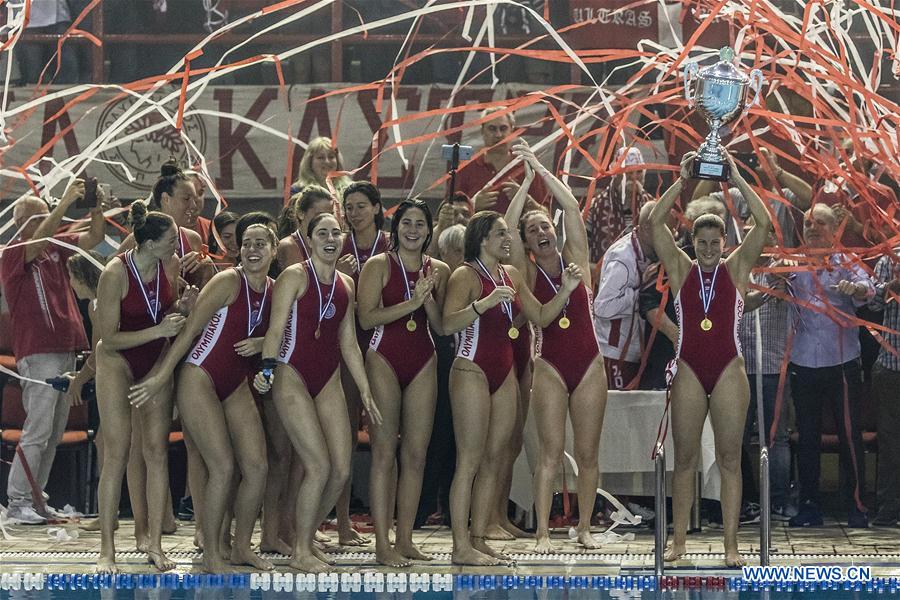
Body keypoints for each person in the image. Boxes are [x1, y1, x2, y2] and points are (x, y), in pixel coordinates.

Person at [128, 224, 278, 572]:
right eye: (246, 245)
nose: (252, 250)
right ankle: (211, 553)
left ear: (273, 250)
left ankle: (240, 547)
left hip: (235, 382)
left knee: (257, 467)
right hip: (199, 377)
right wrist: (163, 374)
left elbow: (284, 330)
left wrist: (262, 341)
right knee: (223, 467)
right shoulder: (227, 282)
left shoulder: (274, 289)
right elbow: (190, 328)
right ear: (238, 251)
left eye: (260, 244)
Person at [648, 150, 772, 567]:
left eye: (714, 243)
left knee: (730, 459)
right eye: (700, 243)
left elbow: (764, 223)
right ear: (692, 243)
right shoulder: (681, 270)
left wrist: (736, 176)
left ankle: (732, 545)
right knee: (684, 461)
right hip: (688, 369)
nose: (707, 249)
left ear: (724, 244)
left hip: (728, 371)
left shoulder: (736, 270)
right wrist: (681, 182)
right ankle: (679, 541)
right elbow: (654, 223)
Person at [442, 210, 583, 565]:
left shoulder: (513, 274)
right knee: (469, 461)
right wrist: (483, 303)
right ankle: (460, 546)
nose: (509, 239)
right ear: (483, 240)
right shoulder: (465, 274)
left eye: (508, 233)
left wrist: (565, 290)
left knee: (495, 459)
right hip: (471, 369)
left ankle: (479, 536)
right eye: (501, 234)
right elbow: (446, 324)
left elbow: (542, 318)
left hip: (504, 372)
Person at [253, 213, 381, 573]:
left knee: (340, 471)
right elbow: (275, 330)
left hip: (327, 377)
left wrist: (367, 390)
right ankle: (300, 552)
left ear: (343, 239)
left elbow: (349, 343)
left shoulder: (346, 284)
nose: (329, 238)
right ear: (309, 240)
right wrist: (267, 369)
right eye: (321, 233)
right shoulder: (294, 276)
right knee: (318, 464)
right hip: (291, 372)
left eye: (335, 233)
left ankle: (303, 539)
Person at [506, 143, 608, 551]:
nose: (541, 232)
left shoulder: (577, 258)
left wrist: (542, 170)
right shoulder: (525, 273)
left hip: (589, 365)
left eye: (545, 226)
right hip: (548, 365)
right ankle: (544, 532)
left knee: (587, 453)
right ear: (527, 242)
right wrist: (526, 182)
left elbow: (571, 206)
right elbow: (506, 227)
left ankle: (583, 528)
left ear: (555, 229)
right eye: (533, 231)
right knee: (549, 454)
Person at [94, 202, 198, 574]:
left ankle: (154, 543)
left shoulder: (170, 266)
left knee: (156, 453)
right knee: (118, 453)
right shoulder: (114, 273)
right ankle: (107, 549)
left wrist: (183, 308)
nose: (177, 245)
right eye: (172, 240)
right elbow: (108, 337)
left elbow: (166, 311)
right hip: (118, 361)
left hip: (154, 359)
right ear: (150, 242)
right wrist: (159, 330)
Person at [0, 181, 103, 524]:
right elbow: (39, 238)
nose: (50, 221)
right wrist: (61, 206)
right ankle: (17, 502)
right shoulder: (14, 251)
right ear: (21, 222)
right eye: (40, 217)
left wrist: (96, 206)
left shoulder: (55, 249)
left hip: (65, 348)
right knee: (39, 428)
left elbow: (94, 238)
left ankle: (34, 498)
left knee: (54, 431)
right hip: (38, 350)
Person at [358, 200, 451, 566]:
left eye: (420, 224)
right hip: (383, 356)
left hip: (423, 358)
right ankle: (382, 543)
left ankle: (406, 538)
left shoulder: (439, 270)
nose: (413, 230)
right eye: (406, 223)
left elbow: (442, 327)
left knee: (416, 455)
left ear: (430, 231)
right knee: (384, 452)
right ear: (395, 229)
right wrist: (412, 301)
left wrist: (425, 301)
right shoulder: (378, 265)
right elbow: (366, 319)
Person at [787, 204, 874, 528]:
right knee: (807, 438)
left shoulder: (847, 262)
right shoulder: (792, 263)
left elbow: (869, 290)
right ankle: (809, 505)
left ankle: (856, 504)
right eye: (808, 223)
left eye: (820, 223)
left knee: (850, 435)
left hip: (843, 364)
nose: (811, 228)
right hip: (804, 362)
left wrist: (857, 289)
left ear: (834, 229)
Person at [335, 180, 388, 546]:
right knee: (346, 437)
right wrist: (336, 270)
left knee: (386, 437)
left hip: (385, 346)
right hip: (349, 346)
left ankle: (388, 523)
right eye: (349, 207)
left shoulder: (392, 246)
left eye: (360, 206)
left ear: (376, 208)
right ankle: (341, 522)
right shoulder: (336, 246)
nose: (354, 213)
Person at [737, 221, 794, 521]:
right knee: (739, 438)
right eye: (747, 232)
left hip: (773, 368)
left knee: (777, 438)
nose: (754, 237)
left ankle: (778, 502)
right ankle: (748, 502)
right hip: (740, 369)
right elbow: (736, 306)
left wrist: (779, 280)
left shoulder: (784, 269)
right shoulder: (736, 268)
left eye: (759, 232)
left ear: (771, 237)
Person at [594, 201, 658, 390]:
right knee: (615, 412)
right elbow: (602, 307)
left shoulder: (647, 250)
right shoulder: (622, 258)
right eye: (662, 229)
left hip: (635, 351)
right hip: (615, 352)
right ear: (646, 228)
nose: (667, 236)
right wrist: (641, 292)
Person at [456, 107, 549, 213]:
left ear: (512, 131)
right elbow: (448, 215)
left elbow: (547, 214)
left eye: (503, 128)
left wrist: (526, 200)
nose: (498, 135)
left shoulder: (528, 165)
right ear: (482, 131)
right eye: (492, 129)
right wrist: (473, 205)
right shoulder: (466, 167)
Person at [869, 249, 900, 526]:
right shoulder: (889, 259)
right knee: (890, 444)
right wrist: (890, 287)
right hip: (890, 366)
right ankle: (888, 509)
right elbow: (872, 304)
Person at [585, 146, 653, 265]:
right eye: (629, 172)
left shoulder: (652, 207)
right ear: (616, 174)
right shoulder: (595, 207)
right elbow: (579, 248)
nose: (634, 177)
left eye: (639, 171)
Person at [276, 185, 334, 269]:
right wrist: (338, 273)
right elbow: (300, 280)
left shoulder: (331, 242)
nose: (326, 220)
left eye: (330, 215)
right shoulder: (288, 245)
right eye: (319, 215)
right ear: (301, 214)